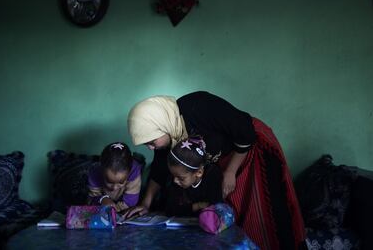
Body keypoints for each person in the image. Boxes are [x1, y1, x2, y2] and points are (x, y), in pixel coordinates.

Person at [125, 91, 307, 250]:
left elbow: (245, 133)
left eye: (151, 141)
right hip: (222, 162)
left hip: (249, 150)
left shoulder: (199, 107)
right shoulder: (171, 135)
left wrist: (230, 172)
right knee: (229, 215)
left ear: (161, 124)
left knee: (265, 214)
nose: (149, 147)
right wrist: (146, 204)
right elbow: (159, 168)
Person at [165, 136, 223, 216]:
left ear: (199, 172)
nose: (175, 180)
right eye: (173, 175)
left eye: (181, 178)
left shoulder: (212, 176)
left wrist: (187, 208)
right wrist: (198, 206)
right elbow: (170, 210)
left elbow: (216, 209)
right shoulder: (178, 178)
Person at [88, 142, 142, 213]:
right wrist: (102, 199)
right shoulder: (95, 172)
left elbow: (130, 202)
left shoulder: (134, 172)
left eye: (121, 182)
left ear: (129, 173)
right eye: (109, 182)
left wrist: (114, 210)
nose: (114, 188)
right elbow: (91, 199)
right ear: (101, 170)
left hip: (124, 208)